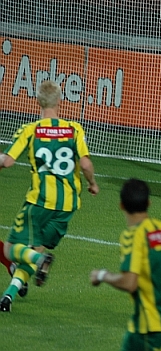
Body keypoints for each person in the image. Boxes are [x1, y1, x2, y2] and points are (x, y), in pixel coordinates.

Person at [0, 80, 99, 313]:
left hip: (39, 202)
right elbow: (85, 164)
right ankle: (8, 296)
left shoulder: (30, 129)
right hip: (67, 205)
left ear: (37, 101)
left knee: (10, 249)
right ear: (60, 102)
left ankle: (38, 263)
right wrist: (92, 183)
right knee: (36, 250)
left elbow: (8, 161)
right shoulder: (74, 129)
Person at [90, 178, 161, 351]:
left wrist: (102, 276)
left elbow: (130, 283)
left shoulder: (133, 236)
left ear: (121, 205)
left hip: (148, 330)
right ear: (149, 203)